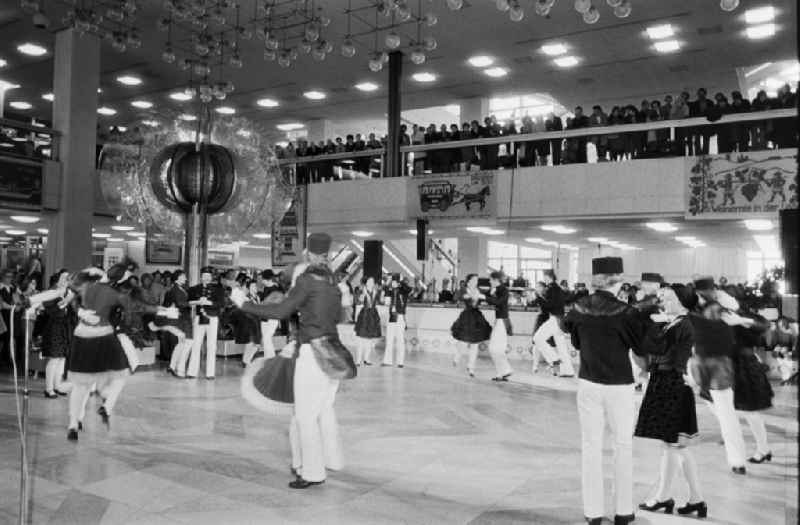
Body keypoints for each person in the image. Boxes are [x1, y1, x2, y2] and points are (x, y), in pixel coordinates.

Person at [233, 233, 350, 489]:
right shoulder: (334, 282)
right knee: (322, 412)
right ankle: (328, 459)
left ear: (307, 253)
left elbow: (281, 310)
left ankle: (312, 472)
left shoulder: (307, 281)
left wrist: (244, 304)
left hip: (312, 354)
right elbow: (340, 316)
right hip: (334, 353)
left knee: (304, 417)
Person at [562, 257, 644, 525]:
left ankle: (593, 513)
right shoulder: (627, 312)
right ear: (617, 280)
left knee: (590, 446)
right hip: (619, 385)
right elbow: (641, 346)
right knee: (623, 446)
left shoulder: (577, 307)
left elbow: (574, 339)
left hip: (588, 382)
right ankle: (623, 511)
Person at [635, 286, 706, 519]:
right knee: (677, 446)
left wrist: (647, 320)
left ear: (682, 301)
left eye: (668, 296)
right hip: (668, 382)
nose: (663, 299)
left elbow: (655, 346)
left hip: (672, 383)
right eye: (662, 295)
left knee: (672, 445)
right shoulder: (675, 322)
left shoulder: (682, 324)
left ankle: (664, 497)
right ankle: (696, 500)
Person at [688, 278, 748, 475]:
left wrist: (720, 297)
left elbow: (734, 307)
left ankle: (737, 460)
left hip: (718, 363)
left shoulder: (721, 306)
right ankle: (735, 455)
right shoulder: (695, 306)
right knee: (716, 406)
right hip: (699, 362)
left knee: (726, 411)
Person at [37, 270, 75, 398]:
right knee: (53, 358)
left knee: (62, 358)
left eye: (68, 278)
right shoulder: (52, 293)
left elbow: (71, 312)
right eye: (64, 278)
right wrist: (64, 303)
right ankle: (49, 388)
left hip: (65, 328)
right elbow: (50, 311)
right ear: (58, 279)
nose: (66, 280)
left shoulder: (69, 293)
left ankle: (57, 385)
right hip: (53, 327)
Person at [532, 270, 575, 377]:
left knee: (537, 338)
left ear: (548, 276)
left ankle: (554, 359)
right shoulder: (557, 288)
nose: (544, 279)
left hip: (555, 319)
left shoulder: (552, 289)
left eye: (544, 276)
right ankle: (568, 371)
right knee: (561, 347)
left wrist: (538, 297)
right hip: (560, 320)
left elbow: (548, 306)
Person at [451, 274, 492, 377]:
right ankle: (457, 357)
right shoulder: (464, 289)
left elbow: (487, 297)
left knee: (475, 344)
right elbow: (456, 297)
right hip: (467, 317)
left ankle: (471, 368)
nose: (476, 282)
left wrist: (491, 292)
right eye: (474, 280)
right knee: (463, 343)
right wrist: (466, 296)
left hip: (477, 317)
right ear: (468, 281)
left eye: (476, 280)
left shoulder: (479, 290)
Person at [187, 267, 225, 379]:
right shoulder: (194, 289)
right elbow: (189, 302)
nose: (206, 278)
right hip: (199, 318)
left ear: (211, 277)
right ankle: (192, 372)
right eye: (204, 276)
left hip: (212, 318)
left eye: (208, 276)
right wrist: (198, 302)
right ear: (200, 277)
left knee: (211, 345)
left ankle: (210, 373)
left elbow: (221, 304)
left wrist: (209, 303)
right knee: (196, 344)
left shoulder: (218, 289)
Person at [163, 270, 194, 378]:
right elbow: (180, 303)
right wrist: (192, 303)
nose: (185, 278)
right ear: (177, 278)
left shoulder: (178, 289)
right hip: (183, 320)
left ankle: (172, 366)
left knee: (181, 343)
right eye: (183, 276)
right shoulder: (176, 289)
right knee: (189, 342)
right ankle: (180, 369)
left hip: (180, 320)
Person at [484, 271, 513, 381]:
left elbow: (498, 302)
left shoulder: (503, 290)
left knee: (495, 348)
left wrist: (486, 296)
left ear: (496, 280)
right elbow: (489, 298)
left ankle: (504, 371)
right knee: (495, 348)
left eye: (491, 279)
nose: (489, 281)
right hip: (500, 320)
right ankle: (504, 371)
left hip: (502, 321)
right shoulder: (496, 289)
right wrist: (487, 294)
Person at [382, 274, 410, 368]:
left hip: (400, 316)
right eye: (392, 281)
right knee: (389, 339)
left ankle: (400, 362)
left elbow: (408, 289)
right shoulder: (390, 291)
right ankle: (387, 361)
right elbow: (385, 295)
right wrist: (388, 282)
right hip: (392, 317)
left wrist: (400, 281)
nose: (392, 283)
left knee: (400, 340)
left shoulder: (403, 291)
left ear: (398, 283)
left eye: (394, 281)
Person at [354, 275, 381, 365]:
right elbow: (358, 301)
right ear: (366, 283)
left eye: (372, 282)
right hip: (364, 315)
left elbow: (379, 301)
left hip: (372, 315)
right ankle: (358, 360)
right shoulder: (362, 290)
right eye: (369, 281)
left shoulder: (376, 292)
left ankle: (367, 359)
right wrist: (363, 295)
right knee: (361, 339)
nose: (371, 283)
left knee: (369, 339)